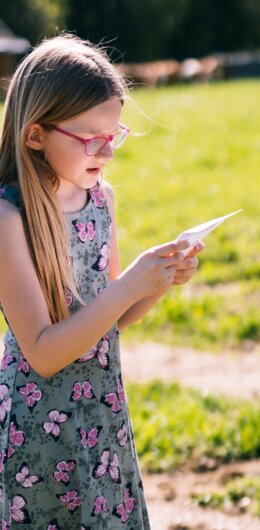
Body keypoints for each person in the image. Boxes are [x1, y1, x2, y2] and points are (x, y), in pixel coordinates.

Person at [0, 35, 203, 527]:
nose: (107, 153)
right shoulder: (9, 218)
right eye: (92, 138)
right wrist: (128, 287)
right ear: (35, 135)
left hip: (102, 414)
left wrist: (156, 280)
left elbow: (112, 316)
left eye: (115, 135)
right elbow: (45, 351)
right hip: (39, 431)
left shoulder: (100, 199)